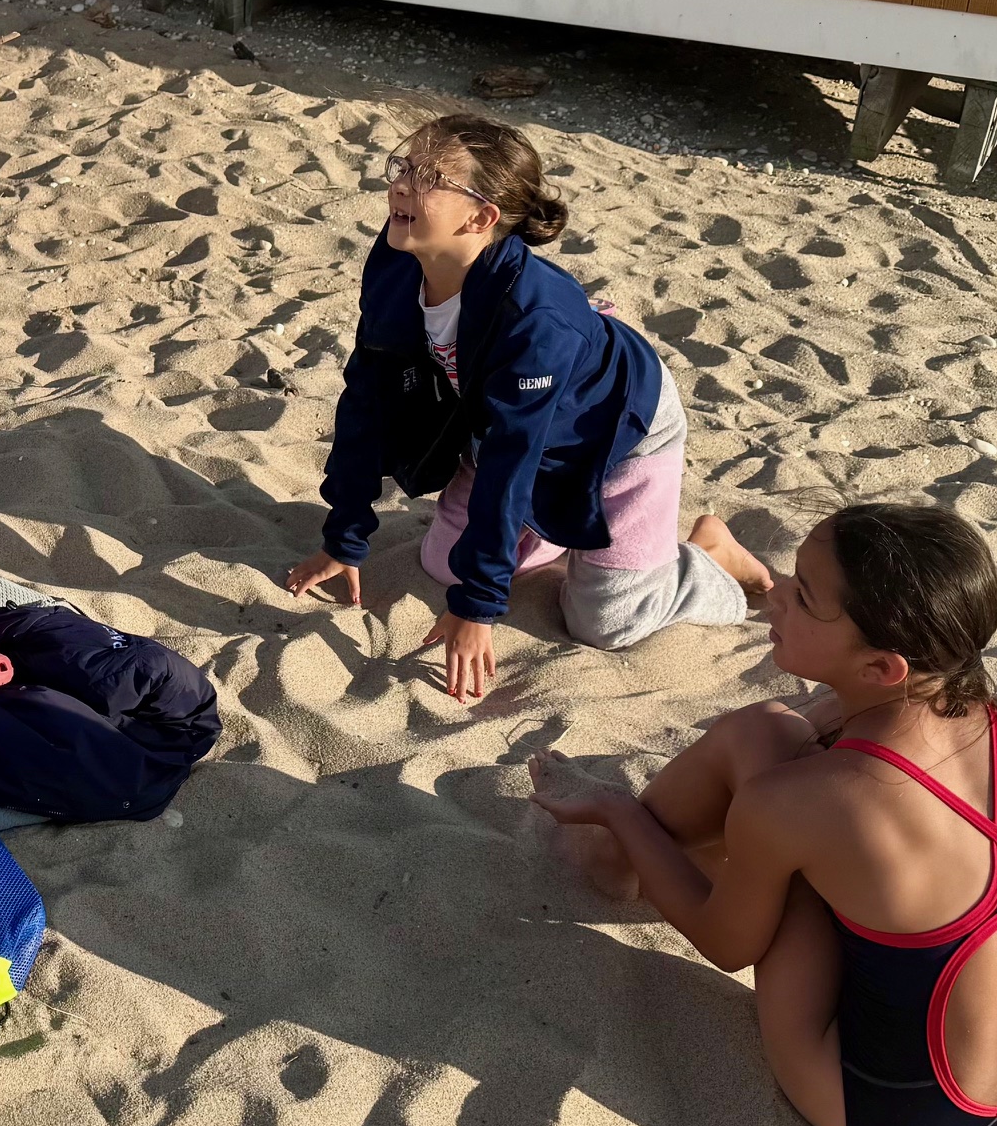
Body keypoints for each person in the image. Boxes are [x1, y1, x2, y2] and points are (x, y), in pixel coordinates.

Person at [530, 503, 997, 1126]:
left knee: (759, 740)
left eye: (803, 595)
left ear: (881, 668)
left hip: (880, 1105)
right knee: (785, 747)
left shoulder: (807, 801)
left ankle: (615, 857)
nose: (773, 593)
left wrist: (619, 810)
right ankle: (644, 848)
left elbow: (725, 944)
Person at [284, 113, 767, 697]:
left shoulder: (536, 320)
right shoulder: (396, 259)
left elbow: (514, 460)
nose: (403, 185)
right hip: (499, 418)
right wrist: (344, 537)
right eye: (403, 167)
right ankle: (551, 530)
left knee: (608, 624)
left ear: (481, 218)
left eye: (430, 177)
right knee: (445, 565)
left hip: (617, 432)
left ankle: (705, 555)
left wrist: (479, 606)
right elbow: (366, 396)